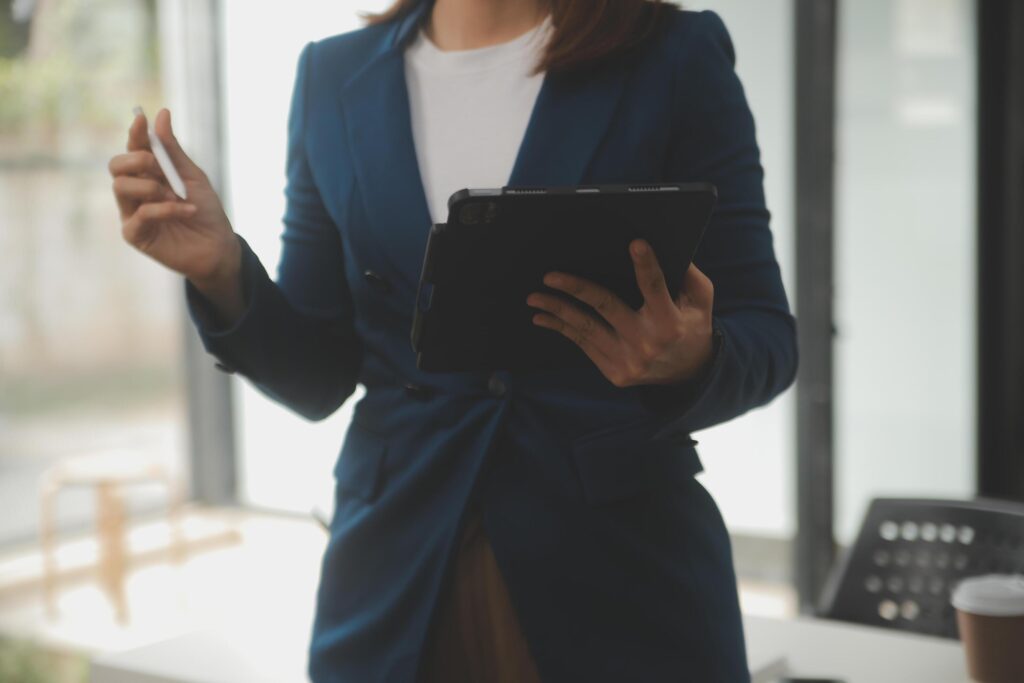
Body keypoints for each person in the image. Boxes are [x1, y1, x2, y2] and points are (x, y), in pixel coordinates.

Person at [108, 0, 797, 680]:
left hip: (623, 580)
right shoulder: (332, 75)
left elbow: (767, 336)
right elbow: (319, 375)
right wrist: (224, 270)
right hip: (392, 576)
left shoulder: (672, 52)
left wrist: (690, 359)